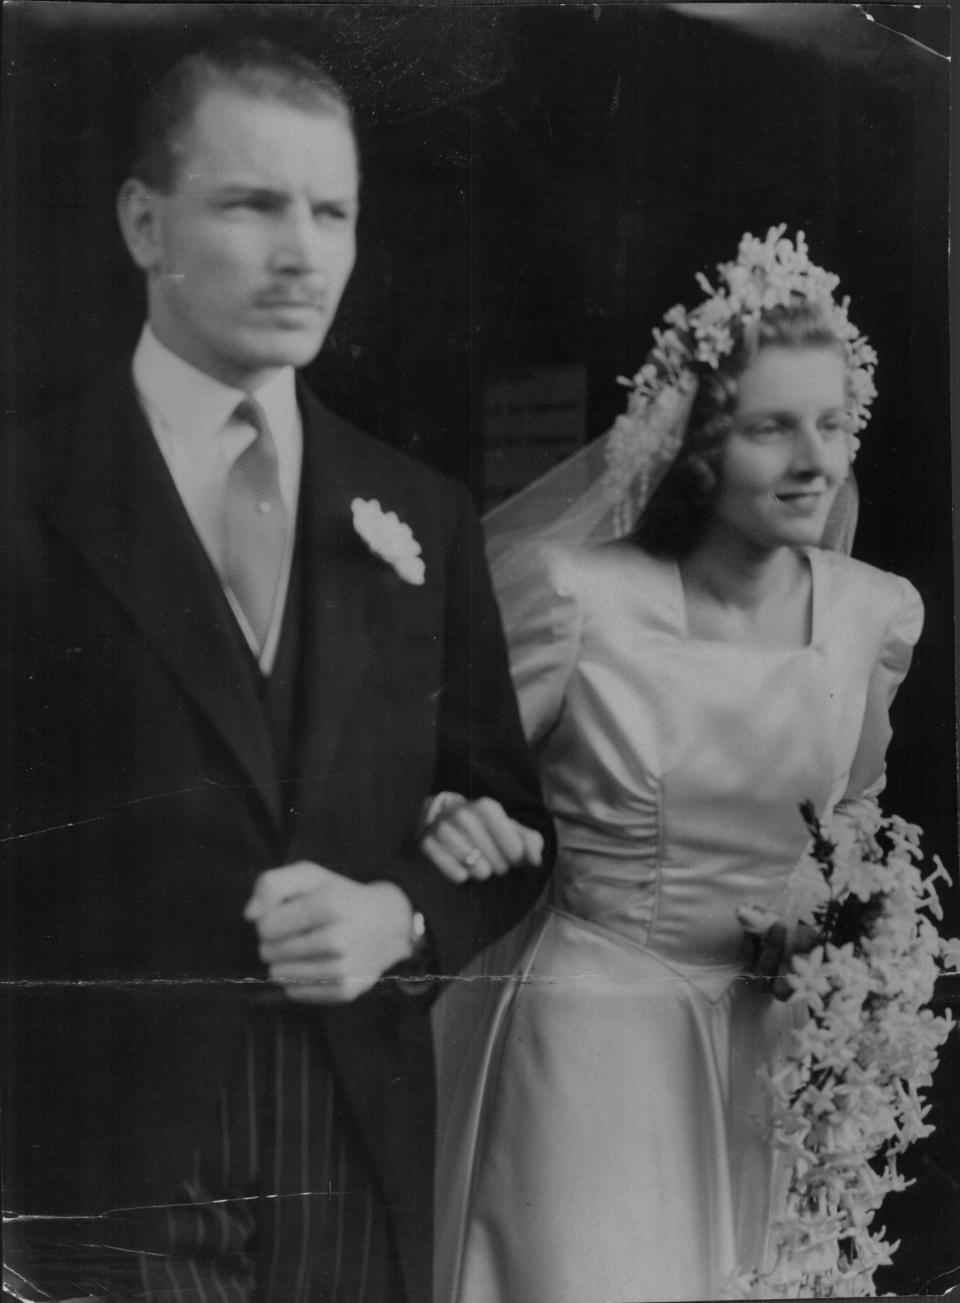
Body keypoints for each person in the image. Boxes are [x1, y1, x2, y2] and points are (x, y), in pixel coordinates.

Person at [1, 38, 552, 1303]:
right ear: (146, 221)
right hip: (93, 1148)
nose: (302, 251)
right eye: (252, 203)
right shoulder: (26, 494)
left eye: (333, 211)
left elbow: (516, 820)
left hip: (351, 1134)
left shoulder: (421, 511)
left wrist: (399, 911)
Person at [420, 228, 923, 1301]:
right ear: (700, 439)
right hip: (592, 1040)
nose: (811, 462)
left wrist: (846, 935)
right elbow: (458, 776)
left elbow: (861, 815)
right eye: (771, 427)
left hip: (769, 1057)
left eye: (831, 425)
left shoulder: (873, 613)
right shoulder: (579, 595)